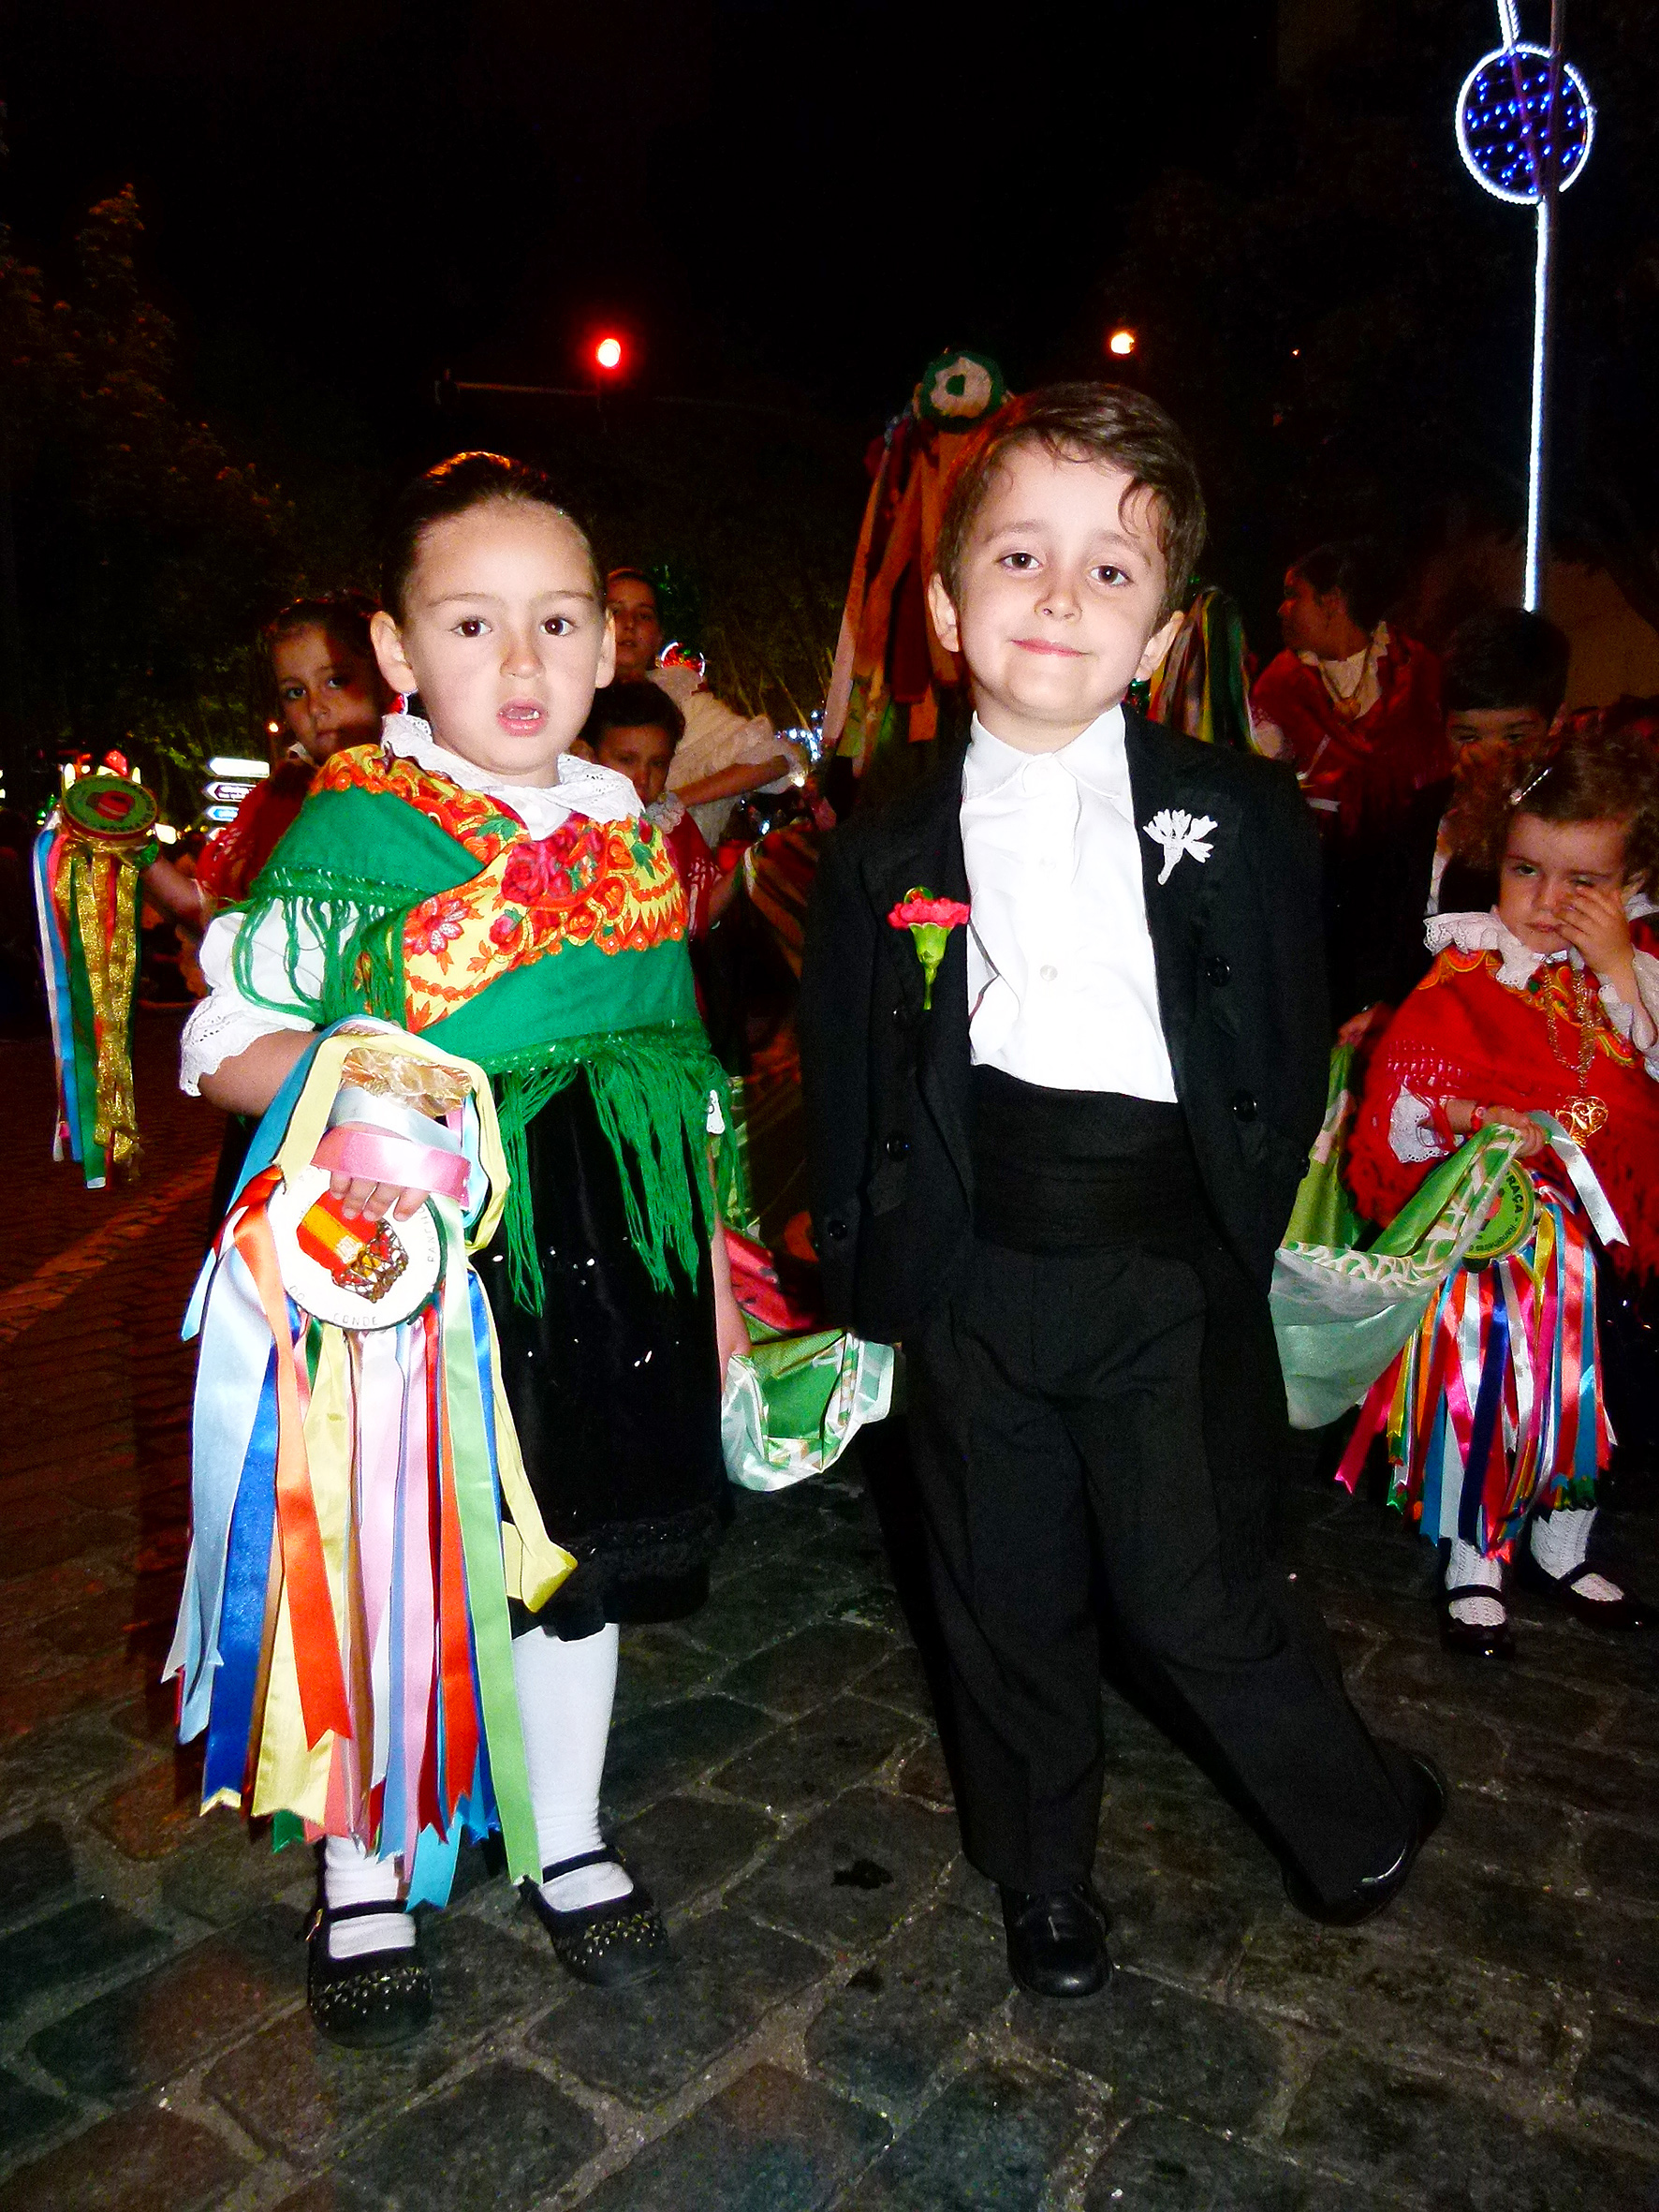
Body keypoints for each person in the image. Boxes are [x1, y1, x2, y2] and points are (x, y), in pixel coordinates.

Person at [800, 384, 1442, 2003]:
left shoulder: (1237, 814)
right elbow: (853, 1071)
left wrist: (1239, 1237)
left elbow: (1280, 1039)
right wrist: (869, 1287)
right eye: (1020, 556)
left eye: (1110, 570)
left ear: (1160, 633)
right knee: (999, 1586)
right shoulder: (883, 840)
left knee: (1195, 1586)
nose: (1060, 597)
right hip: (971, 1263)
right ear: (946, 609)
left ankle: (1355, 1816)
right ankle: (1041, 1875)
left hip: (1161, 1262)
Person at [179, 452, 747, 2041]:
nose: (521, 661)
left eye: (558, 621)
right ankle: (365, 1865)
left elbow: (685, 1088)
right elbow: (224, 1041)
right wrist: (369, 1083)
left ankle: (566, 1830)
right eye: (473, 622)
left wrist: (717, 1297)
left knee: (582, 1552)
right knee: (392, 1557)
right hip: (421, 1261)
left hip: (613, 1249)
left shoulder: (631, 830)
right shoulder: (355, 826)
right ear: (397, 647)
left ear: (607, 644)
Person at [1345, 725, 1659, 1658]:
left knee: (1594, 1395)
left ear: (1631, 882)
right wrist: (1472, 1117)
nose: (1548, 902)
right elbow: (1406, 1090)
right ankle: (1475, 1554)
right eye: (1526, 871)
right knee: (1484, 1390)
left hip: (1605, 1240)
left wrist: (1617, 975)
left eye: (1583, 883)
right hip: (1496, 1242)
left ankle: (1563, 1543)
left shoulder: (1637, 974)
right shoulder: (1469, 969)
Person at [1338, 608, 1572, 1040]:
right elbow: (1385, 935)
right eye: (1467, 737)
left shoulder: (1574, 824)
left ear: (1555, 724)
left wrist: (1495, 811)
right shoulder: (1423, 813)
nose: (1488, 754)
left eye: (1514, 737)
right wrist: (1383, 1007)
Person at [143, 594, 395, 932]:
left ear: (385, 678)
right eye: (295, 692)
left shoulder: (431, 789)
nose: (315, 707)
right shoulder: (277, 803)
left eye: (336, 681)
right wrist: (133, 843)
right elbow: (217, 917)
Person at [606, 567, 804, 843]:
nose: (629, 624)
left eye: (644, 615)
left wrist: (673, 803)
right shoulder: (563, 701)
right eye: (615, 611)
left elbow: (775, 760)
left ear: (659, 636)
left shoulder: (682, 701)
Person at [580, 677, 737, 937]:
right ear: (589, 756)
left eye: (658, 764)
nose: (642, 778)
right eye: (626, 760)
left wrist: (747, 867)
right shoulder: (565, 824)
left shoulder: (672, 824)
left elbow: (695, 917)